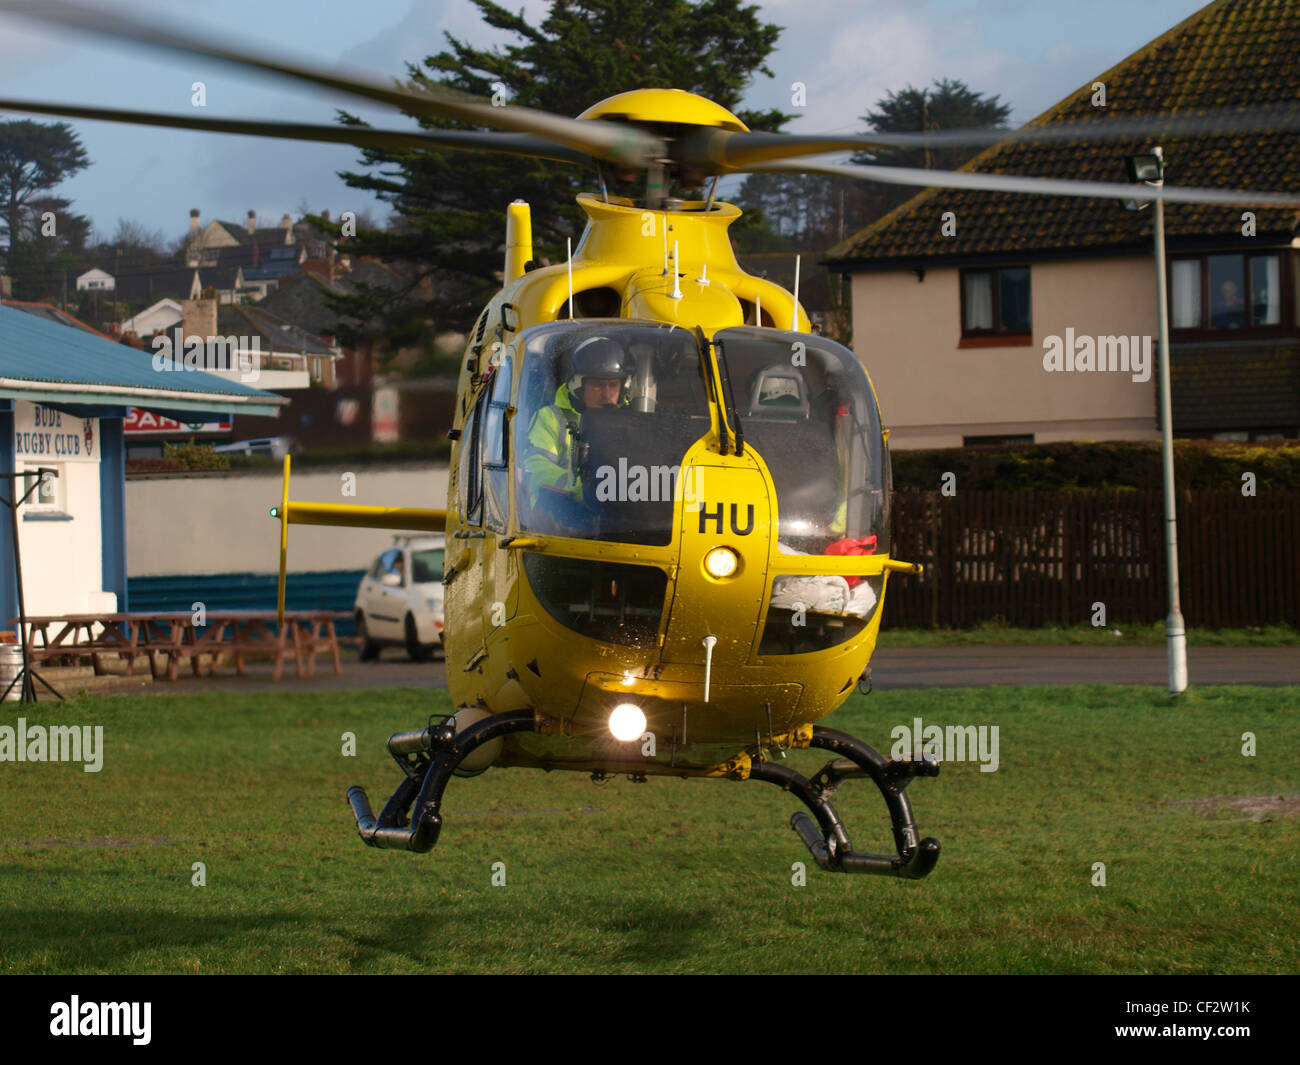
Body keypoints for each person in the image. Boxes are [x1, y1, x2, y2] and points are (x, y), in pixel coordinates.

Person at [523, 335, 636, 513]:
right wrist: (585, 489)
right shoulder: (551, 418)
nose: (607, 395)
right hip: (564, 519)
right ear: (577, 386)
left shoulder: (634, 422)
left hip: (621, 521)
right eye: (598, 386)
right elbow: (535, 467)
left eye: (613, 385)